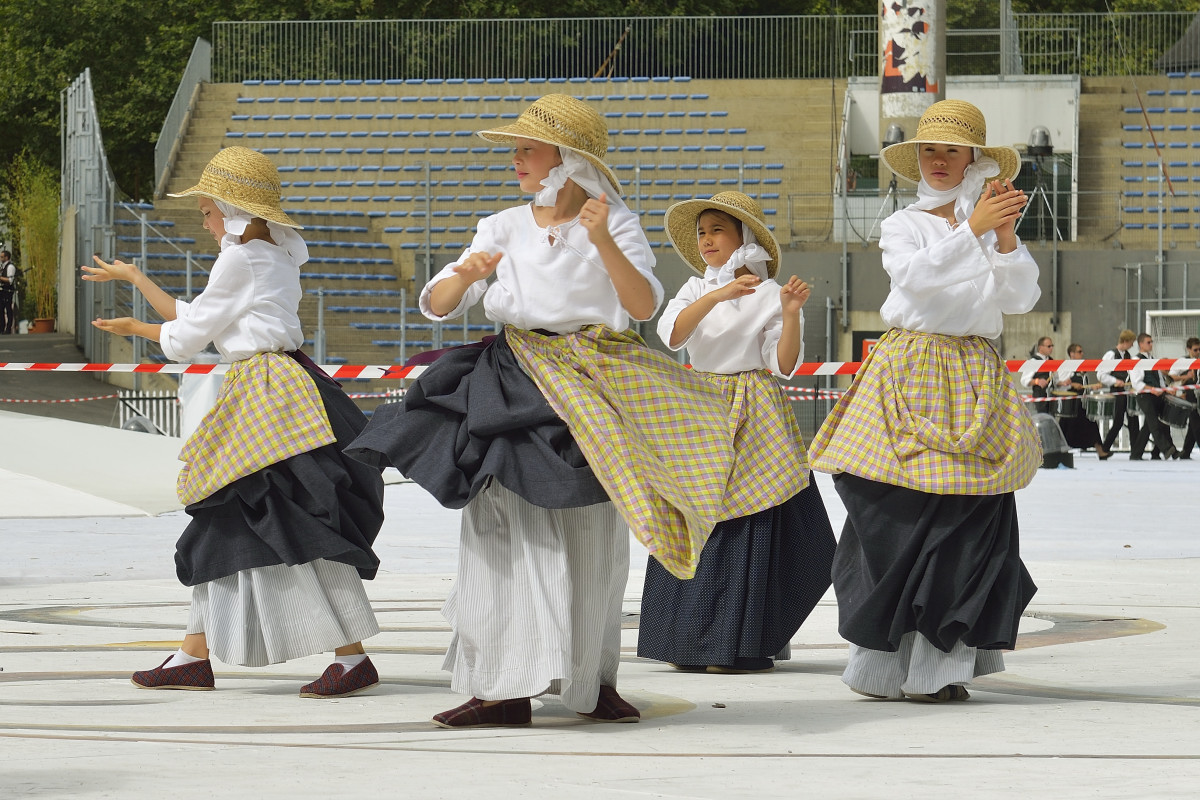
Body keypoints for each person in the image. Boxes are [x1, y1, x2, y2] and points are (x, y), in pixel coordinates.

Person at [346, 95, 803, 728]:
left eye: (528, 148)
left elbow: (643, 305)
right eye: (518, 148)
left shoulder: (614, 222)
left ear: (566, 160)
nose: (516, 158)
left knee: (596, 531)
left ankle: (590, 681)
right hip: (513, 377)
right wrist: (466, 273)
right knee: (505, 527)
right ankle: (501, 686)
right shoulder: (502, 225)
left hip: (597, 374)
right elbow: (439, 302)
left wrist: (598, 238)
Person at [82, 146, 386, 698]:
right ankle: (196, 654)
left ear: (229, 206)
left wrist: (137, 329)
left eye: (206, 210)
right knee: (254, 515)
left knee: (261, 514)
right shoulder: (275, 253)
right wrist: (136, 279)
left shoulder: (239, 259)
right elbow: (201, 314)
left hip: (265, 395)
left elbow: (188, 335)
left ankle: (339, 655)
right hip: (286, 389)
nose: (204, 219)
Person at [808, 99, 1041, 703]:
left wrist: (1007, 237)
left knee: (971, 515)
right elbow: (914, 278)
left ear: (973, 160)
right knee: (894, 511)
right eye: (928, 150)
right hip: (910, 365)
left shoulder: (986, 226)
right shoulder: (904, 223)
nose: (938, 161)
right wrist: (976, 231)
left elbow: (1018, 299)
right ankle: (882, 665)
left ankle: (940, 668)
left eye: (952, 151)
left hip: (973, 371)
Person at [636, 192, 836, 675]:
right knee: (700, 515)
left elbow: (783, 364)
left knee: (749, 517)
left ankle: (742, 637)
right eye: (702, 232)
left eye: (717, 231)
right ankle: (691, 638)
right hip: (701, 401)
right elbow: (674, 335)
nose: (706, 240)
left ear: (742, 237)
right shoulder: (691, 289)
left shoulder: (771, 293)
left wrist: (789, 312)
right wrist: (719, 294)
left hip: (754, 404)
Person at [1053, 343, 1111, 459]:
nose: (1082, 354)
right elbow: (1061, 384)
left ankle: (1100, 450)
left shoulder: (1083, 368)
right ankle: (1060, 451)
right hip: (1071, 403)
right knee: (1067, 427)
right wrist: (1072, 385)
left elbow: (1084, 385)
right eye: (1079, 352)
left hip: (1082, 403)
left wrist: (1092, 387)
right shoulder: (1066, 367)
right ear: (1072, 354)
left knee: (1091, 425)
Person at [1129, 332, 1179, 461]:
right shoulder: (1135, 360)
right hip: (1144, 396)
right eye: (1148, 342)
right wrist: (1151, 389)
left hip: (1157, 395)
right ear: (1141, 344)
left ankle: (1136, 454)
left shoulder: (1153, 359)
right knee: (1153, 423)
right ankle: (1167, 449)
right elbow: (1136, 382)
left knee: (1151, 426)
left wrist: (1166, 390)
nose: (1151, 344)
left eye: (1152, 342)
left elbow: (1160, 380)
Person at [1097, 330, 1140, 453]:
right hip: (1117, 391)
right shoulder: (1110, 354)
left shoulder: (1128, 356)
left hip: (1127, 391)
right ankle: (1105, 448)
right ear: (1125, 341)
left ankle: (1135, 449)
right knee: (1118, 421)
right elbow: (1101, 374)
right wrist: (1115, 380)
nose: (1132, 346)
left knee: (1133, 419)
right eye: (1131, 342)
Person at [1168, 337, 1200, 459]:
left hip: (1198, 394)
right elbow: (1171, 376)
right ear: (1188, 349)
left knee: (1193, 425)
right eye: (1195, 350)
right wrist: (1185, 376)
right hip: (1189, 394)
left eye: (1199, 350)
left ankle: (1186, 451)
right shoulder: (1183, 361)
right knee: (1196, 422)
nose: (1197, 352)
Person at [0, 250, 16, 334]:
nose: (0, 258)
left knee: (8, 308)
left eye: (2, 257)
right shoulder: (2, 266)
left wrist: (0, 278)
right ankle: (1, 328)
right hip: (2, 290)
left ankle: (8, 328)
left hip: (7, 290)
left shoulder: (10, 267)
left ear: (6, 257)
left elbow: (10, 280)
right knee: (1, 309)